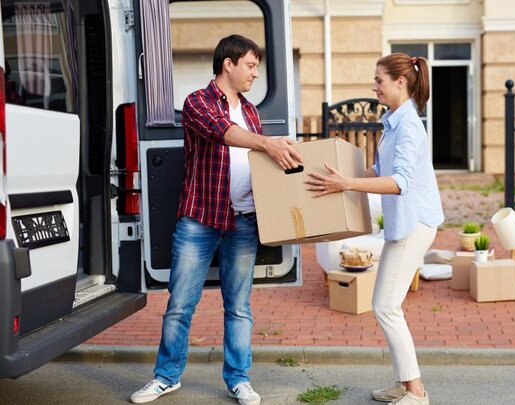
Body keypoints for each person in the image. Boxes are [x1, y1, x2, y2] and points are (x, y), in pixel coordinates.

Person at [130, 34, 301, 405]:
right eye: (251, 66)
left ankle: (239, 379)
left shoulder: (252, 111)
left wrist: (282, 151)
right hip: (200, 220)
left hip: (243, 222)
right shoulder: (197, 102)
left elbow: (258, 160)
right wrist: (266, 143)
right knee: (180, 304)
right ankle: (166, 377)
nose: (256, 74)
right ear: (229, 64)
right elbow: (222, 132)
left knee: (238, 307)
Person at [305, 53, 443, 405]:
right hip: (404, 224)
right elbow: (376, 171)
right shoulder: (394, 121)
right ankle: (406, 383)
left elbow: (400, 183)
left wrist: (346, 184)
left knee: (384, 306)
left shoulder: (409, 126)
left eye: (379, 80)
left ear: (400, 82)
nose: (374, 86)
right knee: (386, 305)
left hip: (416, 223)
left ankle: (416, 392)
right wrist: (336, 178)